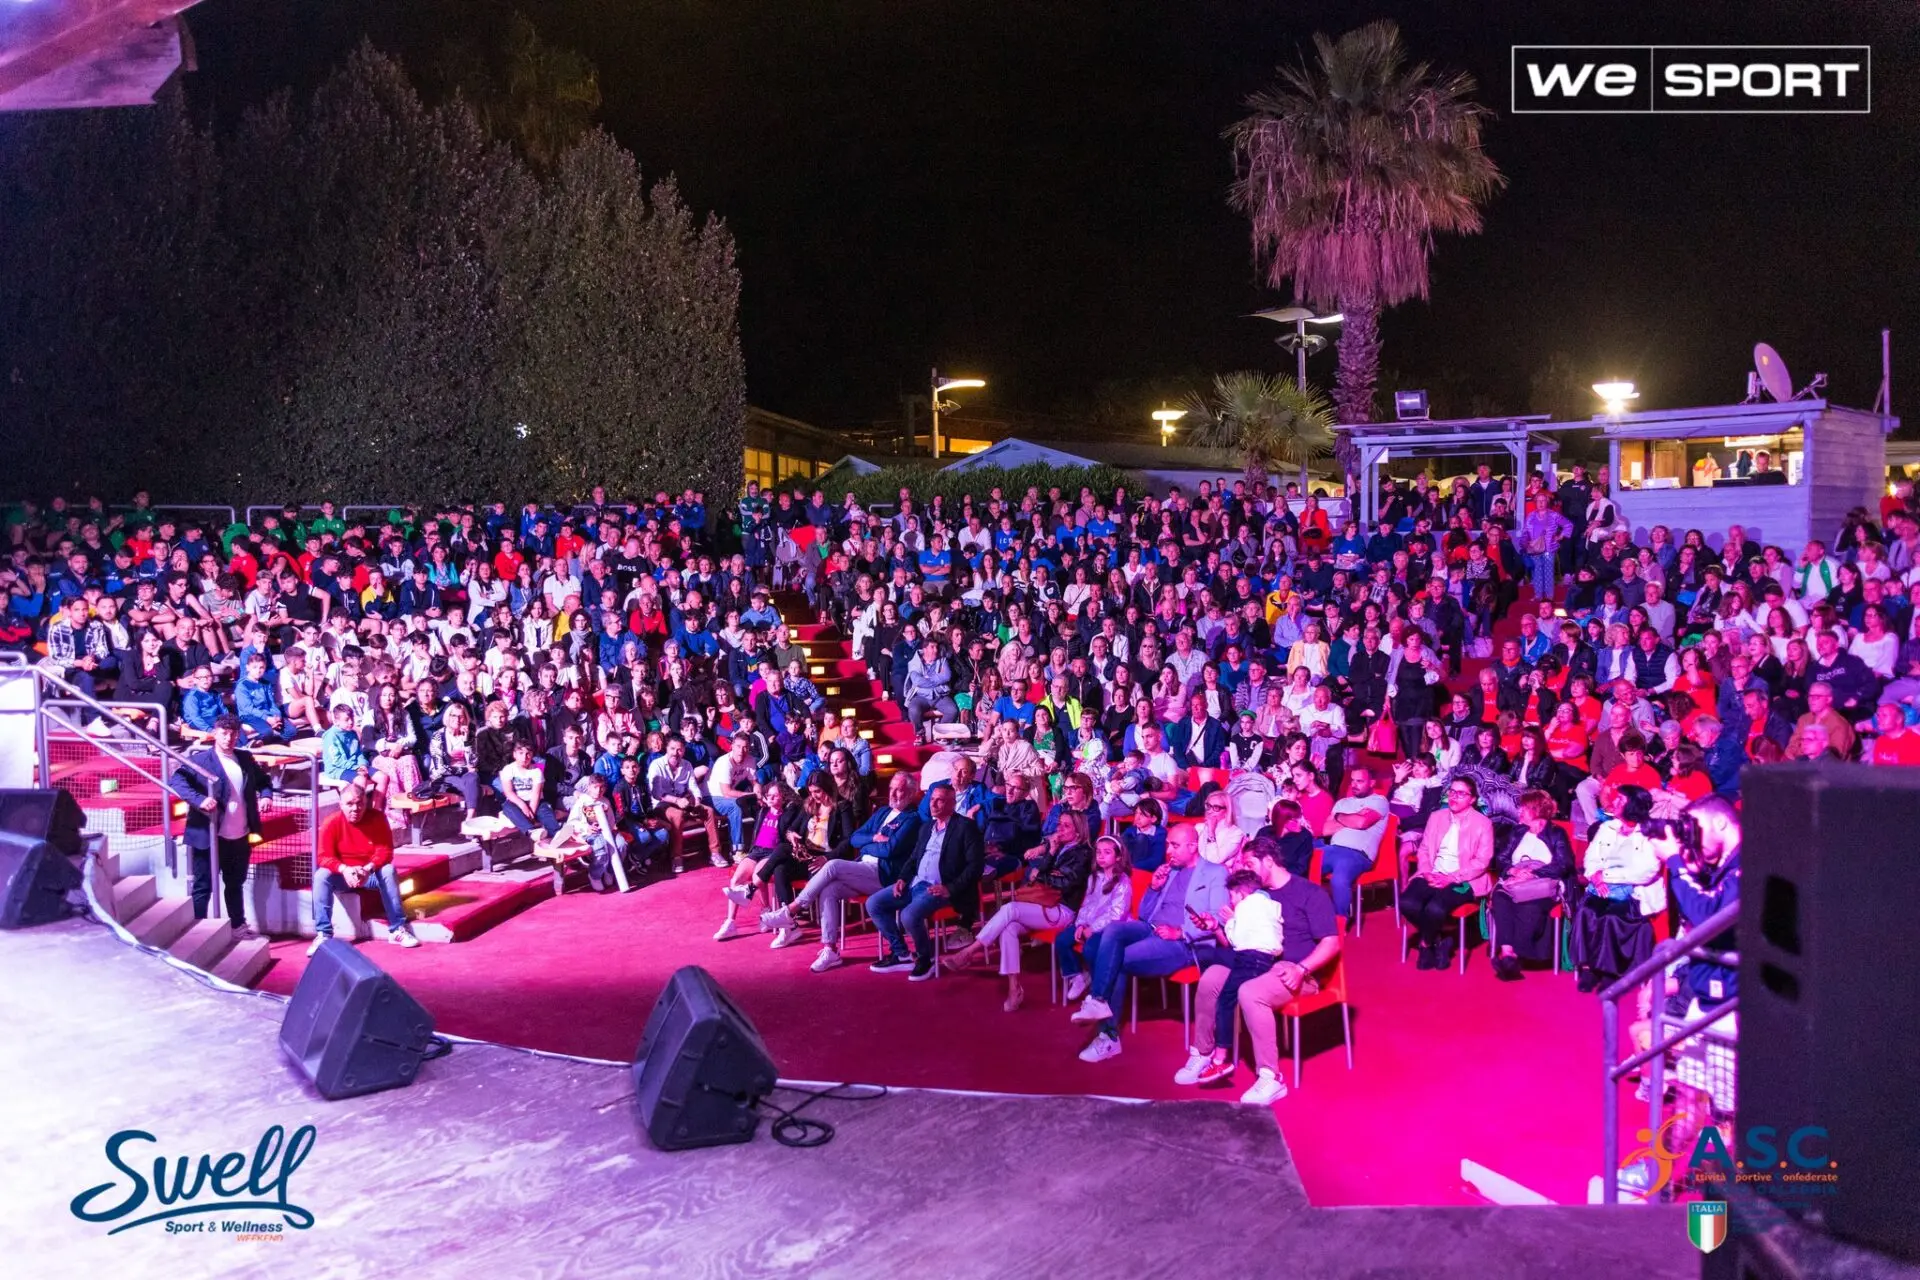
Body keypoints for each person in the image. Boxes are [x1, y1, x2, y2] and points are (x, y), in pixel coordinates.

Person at [1177, 837, 1340, 1104]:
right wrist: (1216, 927)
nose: (1247, 870)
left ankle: (1270, 1078)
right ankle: (1204, 1053)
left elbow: (1331, 943)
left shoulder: (1310, 893)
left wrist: (1301, 968)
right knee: (1211, 978)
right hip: (1254, 963)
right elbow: (1236, 943)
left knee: (1250, 992)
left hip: (1296, 972)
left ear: (1269, 861)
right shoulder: (1252, 894)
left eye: (1250, 863)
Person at [1070, 822, 1228, 1063]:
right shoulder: (1170, 870)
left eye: (1175, 846)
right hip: (1151, 928)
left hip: (1185, 943)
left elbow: (1216, 919)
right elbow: (1145, 914)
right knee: (1113, 930)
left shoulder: (1216, 873)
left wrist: (1182, 932)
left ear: (1193, 846)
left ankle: (1108, 1036)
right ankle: (1098, 1000)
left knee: (1117, 959)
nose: (1169, 851)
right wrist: (1154, 888)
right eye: (1167, 845)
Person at [759, 773, 922, 972]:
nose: (894, 794)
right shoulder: (882, 812)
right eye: (891, 789)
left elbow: (889, 850)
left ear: (912, 793)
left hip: (883, 875)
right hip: (863, 868)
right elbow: (855, 838)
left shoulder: (912, 820)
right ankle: (830, 950)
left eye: (900, 790)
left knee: (834, 865)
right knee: (830, 889)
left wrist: (867, 844)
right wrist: (873, 839)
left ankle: (791, 910)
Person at [950, 809, 1093, 1011]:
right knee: (1010, 927)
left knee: (1010, 909)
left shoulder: (1083, 853)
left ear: (1078, 833)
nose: (1059, 829)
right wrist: (1051, 852)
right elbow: (1043, 871)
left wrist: (1041, 875)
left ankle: (971, 951)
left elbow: (1065, 883)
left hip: (1063, 911)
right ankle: (1014, 987)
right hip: (1046, 905)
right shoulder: (1061, 848)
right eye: (1059, 824)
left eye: (1066, 826)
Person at [865, 781, 985, 981]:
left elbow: (975, 867)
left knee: (908, 915)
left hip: (939, 889)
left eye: (940, 801)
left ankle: (925, 959)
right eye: (932, 800)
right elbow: (913, 859)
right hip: (914, 884)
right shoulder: (927, 827)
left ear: (951, 804)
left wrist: (950, 888)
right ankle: (902, 954)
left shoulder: (965, 827)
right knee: (874, 903)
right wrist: (903, 878)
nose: (934, 804)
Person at [167, 714, 271, 931]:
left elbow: (264, 781)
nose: (229, 738)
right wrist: (199, 800)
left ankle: (238, 926)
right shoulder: (200, 760)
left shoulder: (244, 758)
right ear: (215, 734)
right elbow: (177, 780)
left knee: (235, 884)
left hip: (239, 834)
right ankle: (199, 930)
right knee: (203, 885)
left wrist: (267, 795)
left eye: (233, 734)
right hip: (208, 834)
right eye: (224, 734)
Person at [1571, 785, 1668, 993]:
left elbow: (1646, 871)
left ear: (1633, 805)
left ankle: (1609, 973)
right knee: (1586, 910)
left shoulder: (1650, 833)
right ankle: (1589, 968)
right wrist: (1595, 875)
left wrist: (1606, 876)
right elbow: (1591, 857)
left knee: (1611, 917)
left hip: (1634, 893)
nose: (1614, 802)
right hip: (1602, 887)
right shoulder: (1607, 828)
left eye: (1621, 800)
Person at [309, 781, 420, 953]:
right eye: (350, 804)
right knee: (321, 876)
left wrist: (367, 869)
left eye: (359, 803)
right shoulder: (331, 822)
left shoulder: (377, 818)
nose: (355, 808)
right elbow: (324, 857)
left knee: (388, 871)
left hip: (370, 873)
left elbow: (385, 851)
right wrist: (344, 869)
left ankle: (397, 928)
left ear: (365, 802)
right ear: (341, 805)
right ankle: (324, 934)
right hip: (342, 875)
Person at [1401, 775, 1495, 970]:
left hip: (1464, 879)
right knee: (1406, 903)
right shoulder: (1436, 817)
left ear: (1472, 799)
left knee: (1435, 909)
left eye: (1461, 794)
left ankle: (1426, 945)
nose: (1454, 797)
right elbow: (1425, 849)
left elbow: (1482, 862)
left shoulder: (1483, 823)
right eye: (1452, 792)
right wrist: (1426, 872)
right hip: (1432, 873)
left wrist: (1451, 878)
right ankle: (1439, 941)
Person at [1488, 789, 1575, 981]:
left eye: (1524, 809)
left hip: (1543, 885)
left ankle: (1516, 955)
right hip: (1515, 882)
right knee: (1500, 898)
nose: (1519, 812)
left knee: (1529, 905)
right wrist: (1513, 871)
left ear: (1537, 811)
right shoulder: (1517, 831)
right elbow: (1500, 858)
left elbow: (1564, 863)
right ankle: (1508, 953)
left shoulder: (1555, 833)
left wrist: (1533, 874)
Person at [1057, 834, 1135, 1004]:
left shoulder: (1122, 881)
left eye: (1107, 853)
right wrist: (1081, 924)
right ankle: (1078, 976)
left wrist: (1092, 929)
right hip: (1089, 924)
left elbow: (1117, 914)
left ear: (1118, 857)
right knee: (1062, 940)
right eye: (1098, 852)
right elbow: (1086, 905)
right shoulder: (1094, 877)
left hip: (1110, 928)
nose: (1101, 856)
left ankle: (1099, 990)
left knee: (1090, 949)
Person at [1317, 765, 1390, 925]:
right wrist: (1351, 819)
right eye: (1352, 781)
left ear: (1371, 783)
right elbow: (1326, 830)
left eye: (1360, 781)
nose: (1354, 785)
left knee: (1339, 880)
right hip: (1333, 849)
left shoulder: (1379, 801)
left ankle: (1341, 921)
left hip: (1357, 854)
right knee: (1304, 864)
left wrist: (1339, 817)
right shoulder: (1342, 803)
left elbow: (1362, 822)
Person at [649, 733, 727, 871]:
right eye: (672, 749)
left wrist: (697, 801)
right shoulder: (656, 765)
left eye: (679, 749)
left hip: (684, 801)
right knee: (677, 815)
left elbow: (693, 787)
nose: (676, 753)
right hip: (663, 805)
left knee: (708, 811)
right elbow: (656, 793)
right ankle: (676, 857)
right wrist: (676, 800)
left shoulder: (687, 764)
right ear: (666, 748)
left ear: (684, 750)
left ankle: (715, 853)